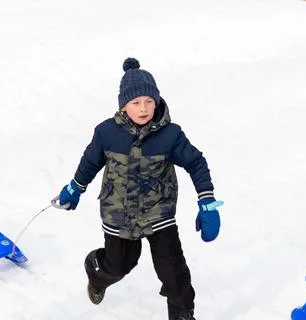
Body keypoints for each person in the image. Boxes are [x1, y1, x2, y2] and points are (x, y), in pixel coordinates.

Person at [57, 57, 222, 320]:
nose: (143, 108)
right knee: (120, 265)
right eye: (136, 103)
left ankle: (182, 315)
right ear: (124, 106)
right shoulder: (107, 133)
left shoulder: (170, 135)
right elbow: (90, 162)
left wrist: (207, 202)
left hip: (159, 212)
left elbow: (196, 162)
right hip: (118, 213)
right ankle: (96, 272)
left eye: (149, 101)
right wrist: (75, 188)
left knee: (173, 271)